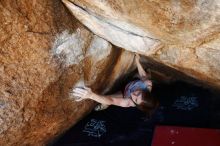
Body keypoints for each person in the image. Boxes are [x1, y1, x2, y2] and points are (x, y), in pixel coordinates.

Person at [72, 53, 158, 116]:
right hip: (129, 85)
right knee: (147, 76)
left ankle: (105, 105)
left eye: (136, 100)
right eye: (138, 93)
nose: (134, 95)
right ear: (144, 91)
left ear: (136, 104)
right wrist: (137, 61)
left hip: (124, 93)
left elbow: (112, 100)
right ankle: (105, 103)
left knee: (109, 99)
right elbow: (143, 75)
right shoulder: (147, 84)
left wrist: (90, 95)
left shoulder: (127, 102)